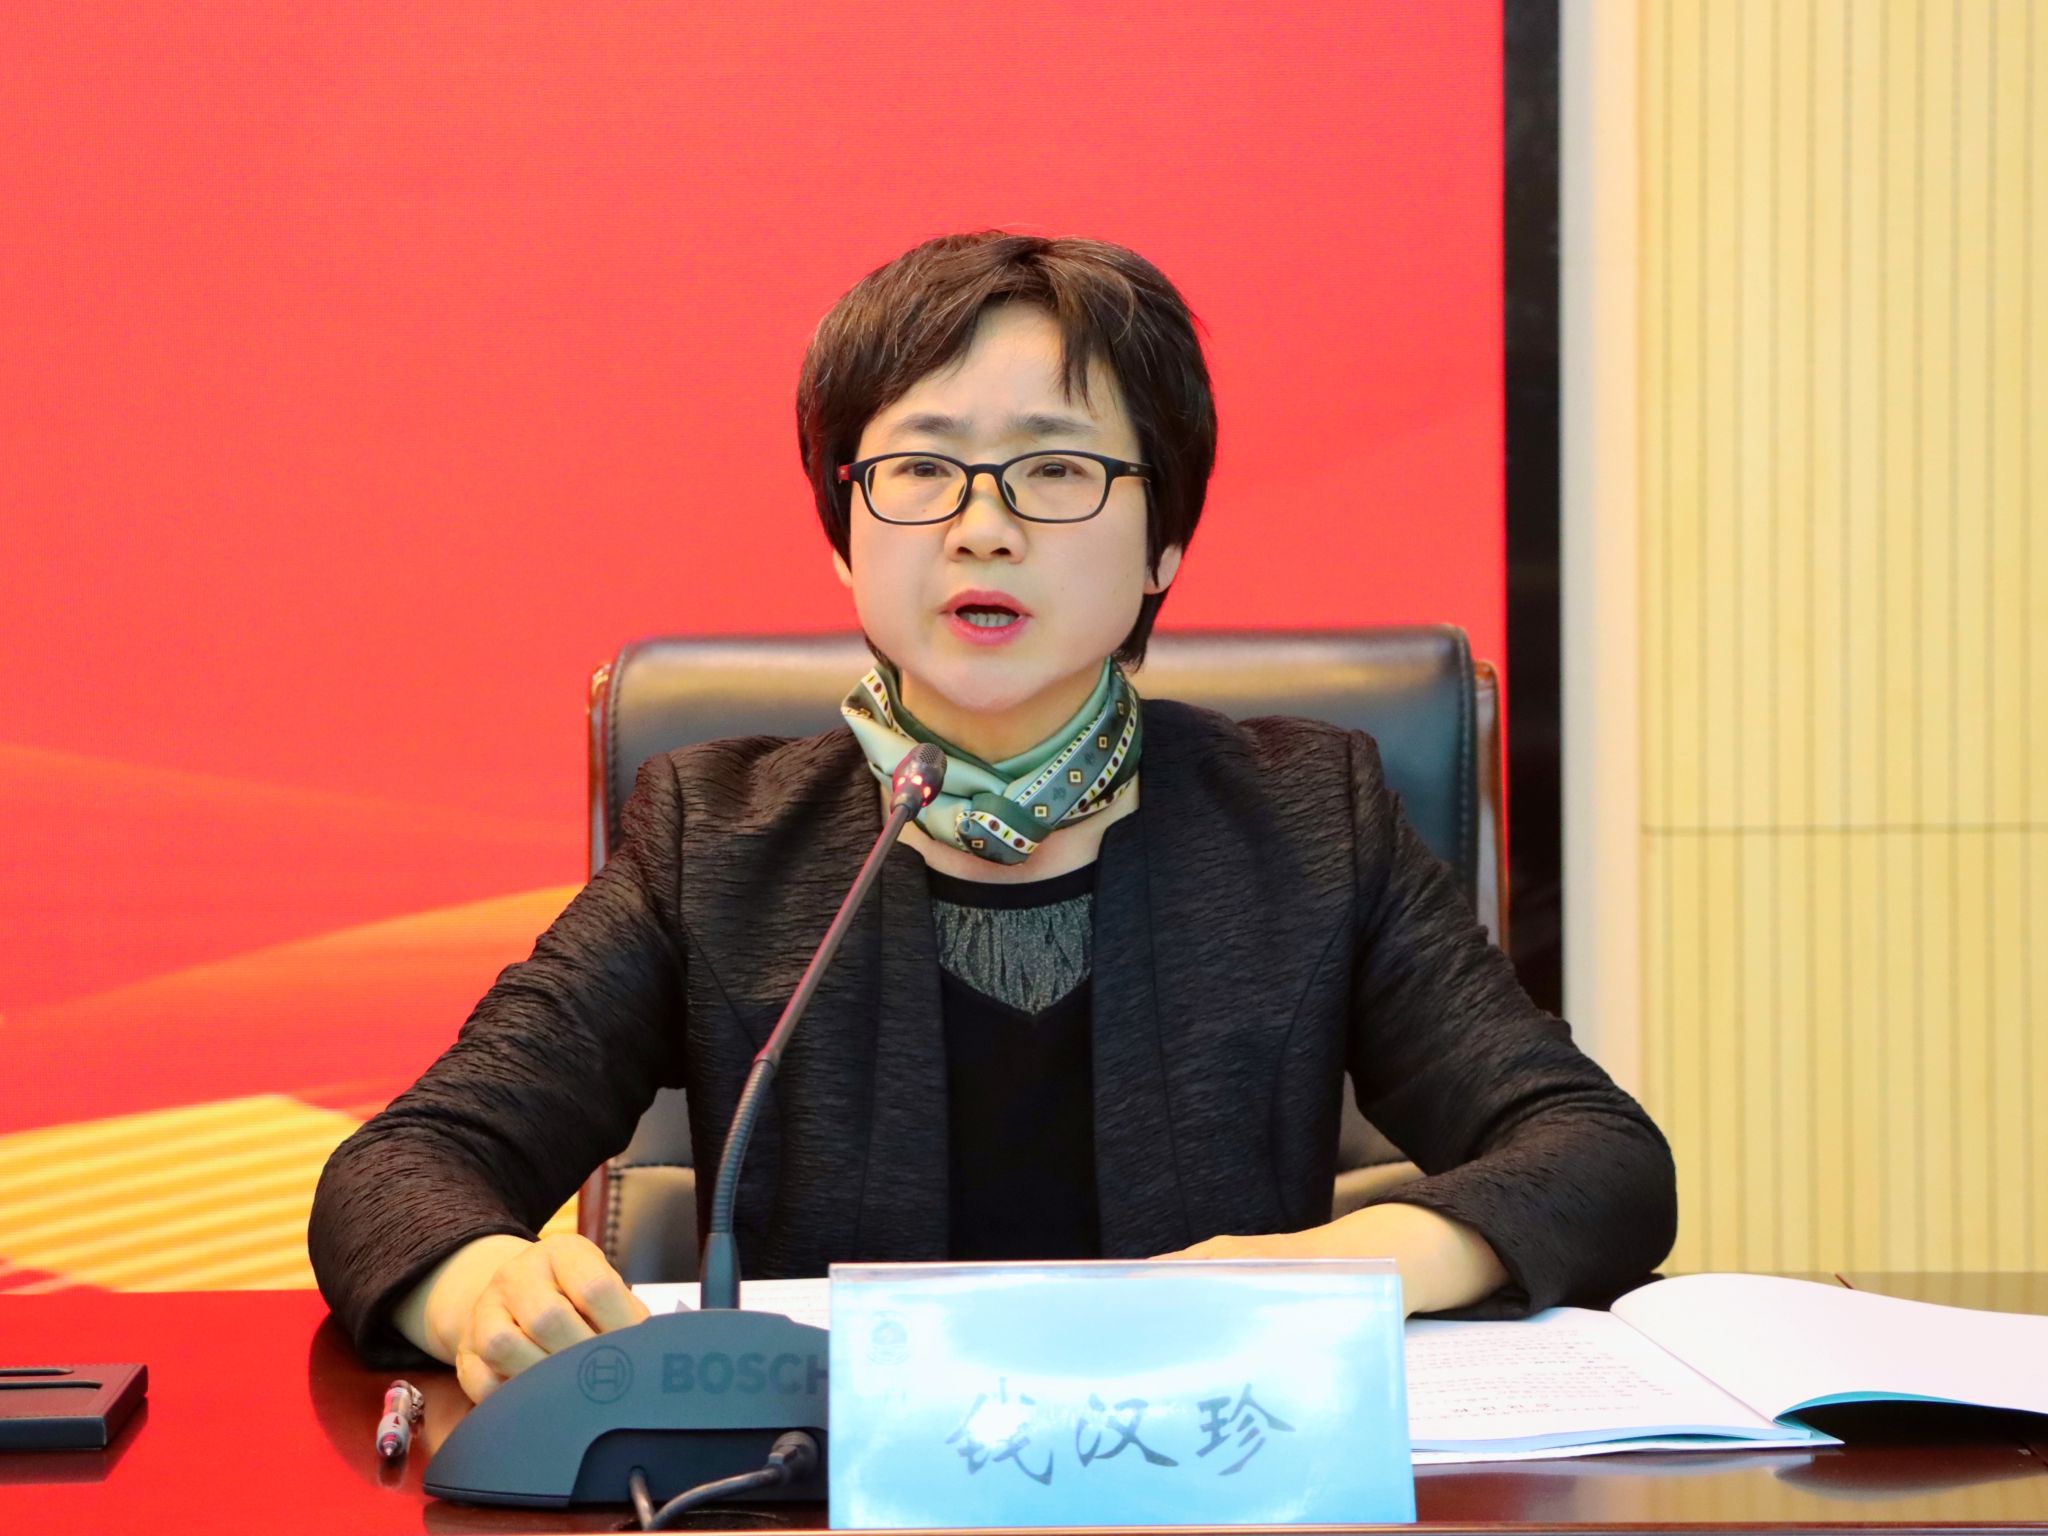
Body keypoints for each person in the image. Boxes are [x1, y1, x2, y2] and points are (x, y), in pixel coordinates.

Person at [308, 231, 1677, 1405]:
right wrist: (481, 1282)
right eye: (920, 470)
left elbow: (1598, 1160)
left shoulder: (1309, 822)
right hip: (832, 1496)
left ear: (1165, 543)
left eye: (1055, 470)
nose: (981, 527)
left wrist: (1346, 1265)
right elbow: (401, 1171)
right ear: (844, 535)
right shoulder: (714, 841)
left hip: (1211, 1482)